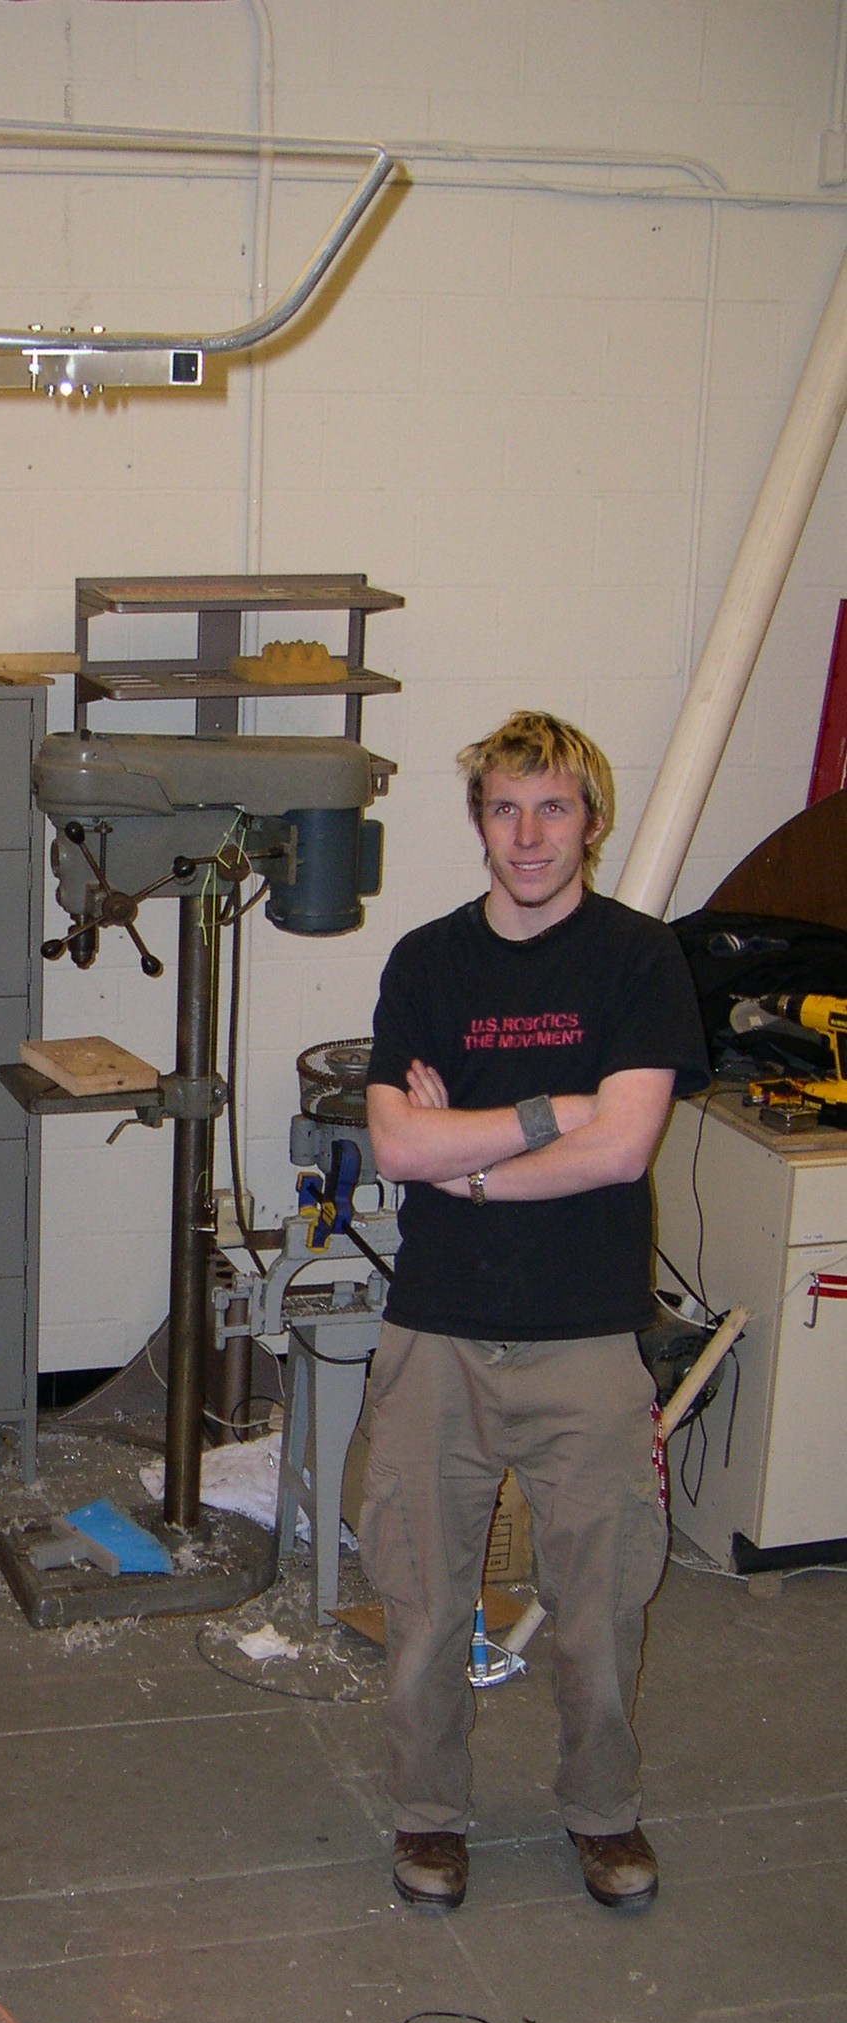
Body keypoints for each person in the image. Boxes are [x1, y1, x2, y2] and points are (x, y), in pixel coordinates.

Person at [360, 710, 708, 1913]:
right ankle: (428, 1815)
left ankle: (603, 1813)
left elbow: (623, 1151)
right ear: (479, 822)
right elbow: (397, 1145)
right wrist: (552, 1111)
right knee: (422, 1604)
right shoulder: (426, 962)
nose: (527, 834)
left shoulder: (640, 960)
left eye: (552, 807)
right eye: (505, 808)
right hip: (437, 1331)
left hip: (588, 1337)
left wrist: (471, 1163)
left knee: (600, 1612)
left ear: (591, 822)